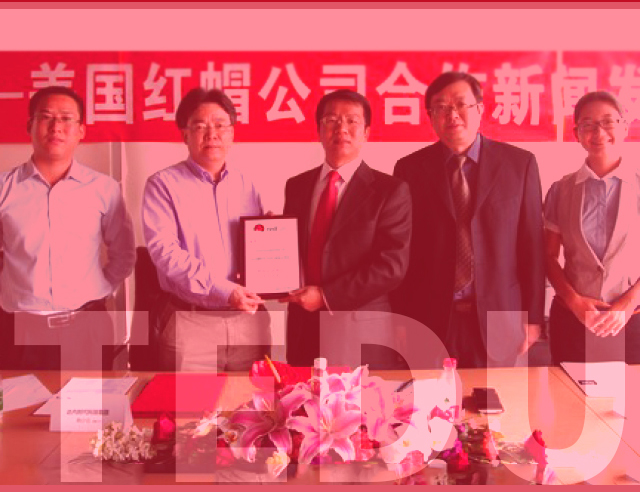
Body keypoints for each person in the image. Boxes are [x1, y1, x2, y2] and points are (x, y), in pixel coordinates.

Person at [393, 72, 545, 368]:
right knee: (430, 395)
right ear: (430, 116)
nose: (452, 115)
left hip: (500, 316)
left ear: (480, 109)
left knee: (497, 397)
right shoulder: (409, 169)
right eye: (441, 107)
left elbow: (532, 246)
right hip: (430, 317)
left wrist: (534, 317)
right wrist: (400, 320)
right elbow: (403, 251)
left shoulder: (519, 164)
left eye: (461, 104)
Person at [0, 86, 135, 370]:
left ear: (81, 130)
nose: (56, 127)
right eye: (46, 117)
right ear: (30, 126)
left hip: (86, 327)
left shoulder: (103, 189)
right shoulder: (4, 188)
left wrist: (97, 289)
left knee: (88, 400)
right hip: (19, 330)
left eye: (66, 119)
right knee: (17, 400)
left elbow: (124, 254)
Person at [281, 89, 412, 369]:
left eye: (352, 121)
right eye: (331, 120)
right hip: (304, 326)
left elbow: (391, 266)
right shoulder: (297, 186)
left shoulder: (390, 191)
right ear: (319, 130)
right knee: (300, 396)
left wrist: (326, 296)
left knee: (360, 399)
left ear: (366, 133)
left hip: (359, 328)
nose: (341, 129)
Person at [142, 88, 271, 372]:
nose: (212, 134)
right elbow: (165, 253)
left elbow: (260, 249)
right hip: (191, 323)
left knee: (251, 400)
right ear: (184, 135)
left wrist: (275, 235)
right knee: (189, 401)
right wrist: (224, 291)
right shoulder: (162, 185)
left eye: (220, 125)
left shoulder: (247, 185)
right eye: (200, 126)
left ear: (232, 134)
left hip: (247, 325)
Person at [544, 91, 640, 364]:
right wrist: (574, 301)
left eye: (608, 122)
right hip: (573, 320)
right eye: (588, 124)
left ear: (624, 127)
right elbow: (548, 256)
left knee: (631, 393)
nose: (599, 132)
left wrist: (628, 303)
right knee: (567, 391)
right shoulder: (560, 190)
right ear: (577, 134)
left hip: (632, 320)